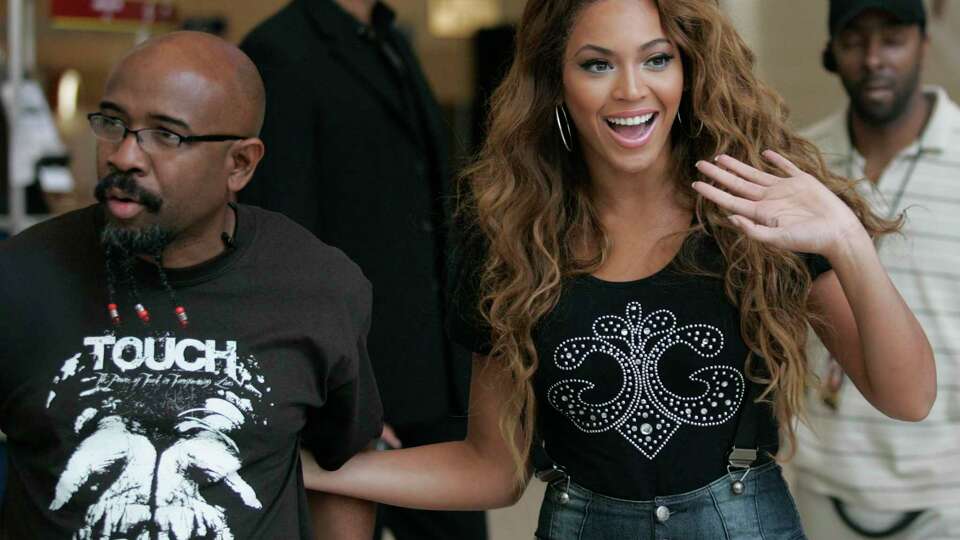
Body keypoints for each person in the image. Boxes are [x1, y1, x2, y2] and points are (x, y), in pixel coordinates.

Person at [297, 0, 937, 538]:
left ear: (689, 69)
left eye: (657, 59)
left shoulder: (757, 209)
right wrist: (326, 470)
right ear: (556, 80)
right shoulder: (512, 238)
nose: (632, 90)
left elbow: (907, 397)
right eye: (597, 64)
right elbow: (492, 469)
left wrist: (847, 240)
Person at [0, 31, 382, 540]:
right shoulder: (20, 277)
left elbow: (345, 469)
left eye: (166, 134)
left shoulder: (317, 286)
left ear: (240, 164)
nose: (124, 156)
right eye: (114, 123)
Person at [238, 1, 486, 538]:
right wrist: (344, 398)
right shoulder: (279, 50)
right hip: (357, 387)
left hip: (434, 376)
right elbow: (286, 238)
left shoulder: (388, 36)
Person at [792, 1, 960, 538]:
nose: (873, 59)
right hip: (824, 482)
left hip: (946, 493)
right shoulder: (800, 164)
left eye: (891, 39)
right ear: (831, 52)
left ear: (922, 44)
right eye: (854, 40)